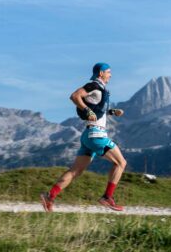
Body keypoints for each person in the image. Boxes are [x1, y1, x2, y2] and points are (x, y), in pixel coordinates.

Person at [41, 62, 127, 212]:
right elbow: (75, 96)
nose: (111, 75)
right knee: (121, 163)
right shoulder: (94, 85)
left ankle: (50, 196)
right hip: (96, 135)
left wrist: (113, 112)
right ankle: (107, 197)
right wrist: (86, 110)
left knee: (76, 171)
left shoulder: (100, 90)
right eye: (108, 72)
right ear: (101, 73)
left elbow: (98, 111)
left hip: (88, 136)